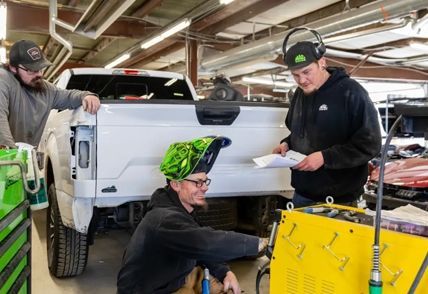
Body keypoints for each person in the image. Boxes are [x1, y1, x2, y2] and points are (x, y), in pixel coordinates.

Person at [117, 136, 268, 294]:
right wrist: (258, 243)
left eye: (205, 181)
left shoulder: (179, 208)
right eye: (197, 182)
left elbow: (199, 247)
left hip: (172, 280)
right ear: (176, 184)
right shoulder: (164, 219)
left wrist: (224, 272)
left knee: (223, 287)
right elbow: (205, 242)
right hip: (152, 290)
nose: (204, 188)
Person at [273, 28, 381, 208]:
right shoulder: (300, 95)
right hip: (302, 195)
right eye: (295, 75)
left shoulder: (350, 92)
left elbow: (370, 144)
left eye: (306, 72)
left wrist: (325, 158)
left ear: (322, 62)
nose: (302, 81)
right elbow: (298, 133)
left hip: (339, 200)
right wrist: (287, 144)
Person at [0, 39, 100, 148]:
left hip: (20, 157)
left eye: (40, 69)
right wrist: (10, 151)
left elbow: (68, 96)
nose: (39, 74)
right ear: (13, 68)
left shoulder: (45, 90)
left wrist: (86, 96)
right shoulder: (3, 80)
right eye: (31, 70)